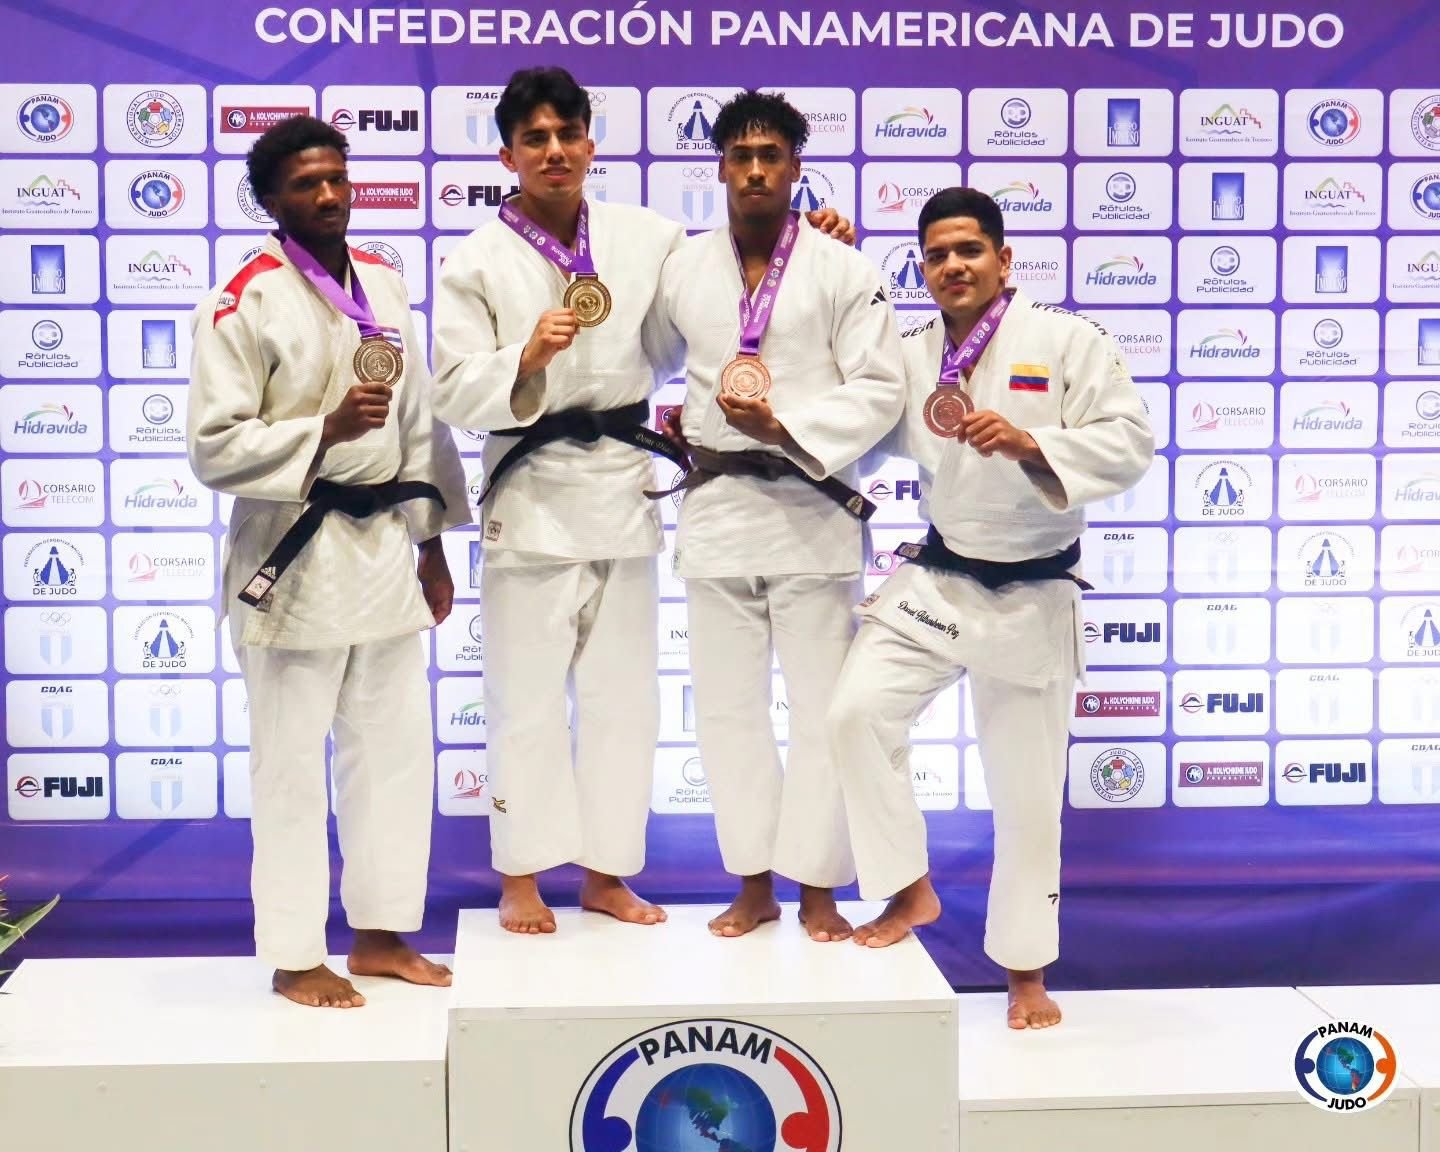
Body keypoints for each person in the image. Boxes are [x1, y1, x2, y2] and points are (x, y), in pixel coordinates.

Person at [430, 69, 854, 935]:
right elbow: (449, 388)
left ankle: (607, 873)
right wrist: (523, 360)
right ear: (507, 155)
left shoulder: (649, 238)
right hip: (531, 488)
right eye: (535, 139)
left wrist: (817, 237)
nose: (554, 151)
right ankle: (520, 875)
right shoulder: (473, 259)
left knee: (624, 701)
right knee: (525, 698)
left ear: (591, 145)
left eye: (568, 135)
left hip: (623, 485)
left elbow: (731, 284)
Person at [827, 187, 1154, 1028]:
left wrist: (1032, 441)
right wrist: (828, 258)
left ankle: (1025, 973)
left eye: (968, 250)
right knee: (855, 713)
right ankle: (908, 887)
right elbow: (848, 410)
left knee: (1027, 795)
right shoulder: (911, 351)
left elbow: (1130, 442)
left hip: (1033, 589)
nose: (952, 266)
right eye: (936, 255)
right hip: (941, 577)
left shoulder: (1067, 340)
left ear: (1004, 260)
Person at [188, 114, 469, 1008]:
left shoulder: (383, 282)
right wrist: (324, 430)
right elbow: (213, 446)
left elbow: (420, 424)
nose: (328, 195)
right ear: (269, 200)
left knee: (393, 756)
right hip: (294, 555)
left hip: (384, 547)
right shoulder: (242, 300)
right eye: (306, 184)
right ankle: (296, 954)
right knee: (290, 769)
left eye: (337, 179)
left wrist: (431, 543)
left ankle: (382, 934)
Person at [654, 90, 906, 942]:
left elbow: (880, 388)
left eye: (771, 157)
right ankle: (753, 883)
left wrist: (787, 428)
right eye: (741, 157)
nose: (756, 171)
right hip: (718, 509)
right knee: (727, 713)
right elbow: (648, 357)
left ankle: (819, 886)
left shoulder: (844, 269)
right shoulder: (683, 267)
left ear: (796, 168)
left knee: (820, 711)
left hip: (810, 515)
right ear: (720, 167)